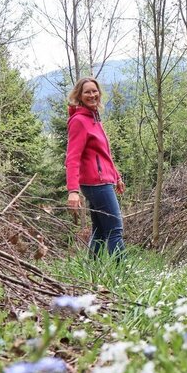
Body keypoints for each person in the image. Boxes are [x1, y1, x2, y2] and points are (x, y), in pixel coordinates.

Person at [66, 77, 126, 258]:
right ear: (79, 96)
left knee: (100, 230)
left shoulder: (94, 118)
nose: (92, 95)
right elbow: (72, 158)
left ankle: (93, 272)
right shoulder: (79, 121)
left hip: (102, 180)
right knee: (115, 229)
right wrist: (73, 191)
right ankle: (121, 275)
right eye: (87, 92)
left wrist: (116, 176)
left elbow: (104, 153)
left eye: (95, 91)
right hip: (95, 183)